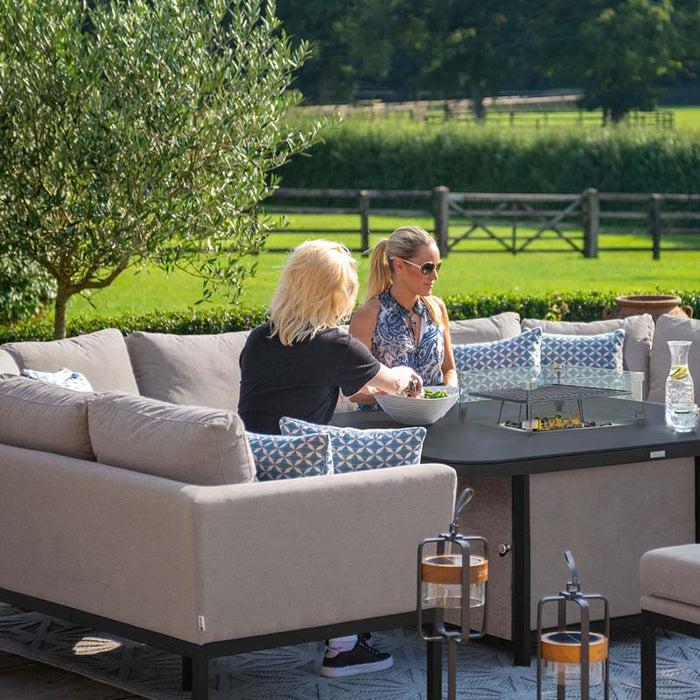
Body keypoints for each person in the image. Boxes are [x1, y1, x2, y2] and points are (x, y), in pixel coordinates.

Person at [238, 239, 423, 677]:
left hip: (250, 475)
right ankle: (343, 646)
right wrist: (407, 375)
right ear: (335, 293)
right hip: (303, 483)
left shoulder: (258, 339)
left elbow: (295, 392)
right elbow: (392, 381)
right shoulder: (334, 344)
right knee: (378, 501)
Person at [349, 226, 457, 408]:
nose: (435, 276)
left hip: (434, 418)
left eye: (437, 266)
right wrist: (399, 394)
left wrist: (446, 394)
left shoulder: (437, 308)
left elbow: (449, 369)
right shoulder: (367, 316)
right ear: (399, 266)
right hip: (382, 427)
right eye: (427, 268)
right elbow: (354, 391)